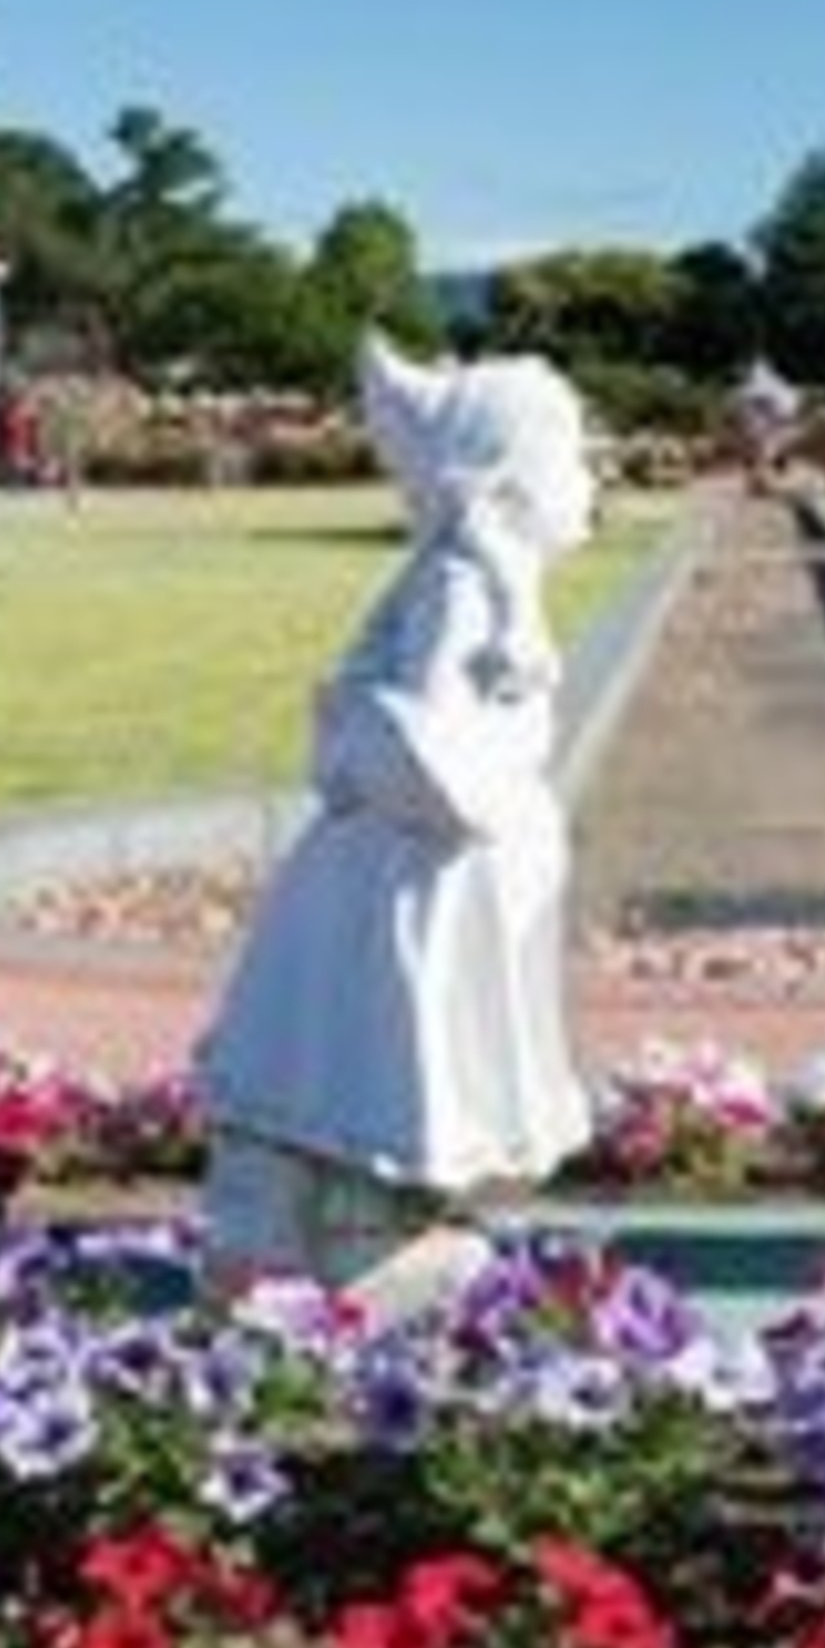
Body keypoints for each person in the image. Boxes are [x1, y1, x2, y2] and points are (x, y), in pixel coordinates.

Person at [195, 333, 602, 1299]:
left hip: (427, 854)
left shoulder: (483, 577)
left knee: (374, 1037)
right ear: (510, 475)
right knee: (387, 1045)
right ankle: (364, 1234)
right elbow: (428, 743)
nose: (584, 476)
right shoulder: (467, 583)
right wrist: (363, 734)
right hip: (419, 863)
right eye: (570, 455)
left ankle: (340, 1220)